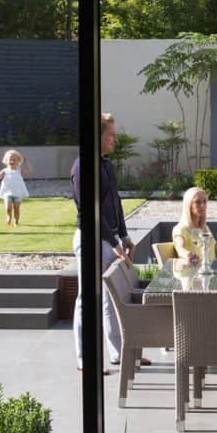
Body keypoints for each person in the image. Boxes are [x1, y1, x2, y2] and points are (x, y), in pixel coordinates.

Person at [71, 113, 136, 375]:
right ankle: (84, 357)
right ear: (97, 136)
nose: (115, 139)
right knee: (87, 298)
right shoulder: (82, 167)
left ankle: (118, 352)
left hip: (109, 239)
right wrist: (112, 241)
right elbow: (89, 210)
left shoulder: (106, 165)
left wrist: (124, 235)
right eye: (111, 135)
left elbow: (114, 203)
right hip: (90, 239)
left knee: (113, 297)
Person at [172, 186, 217, 263]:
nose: (202, 205)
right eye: (197, 202)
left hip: (212, 271)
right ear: (189, 205)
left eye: (204, 201)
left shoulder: (205, 228)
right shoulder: (180, 229)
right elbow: (180, 248)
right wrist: (187, 254)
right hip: (193, 273)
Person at [0, 149, 33, 226]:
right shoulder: (4, 171)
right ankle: (9, 217)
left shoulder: (19, 170)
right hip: (7, 192)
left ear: (18, 161)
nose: (12, 161)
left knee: (16, 209)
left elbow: (30, 171)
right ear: (6, 160)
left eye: (14, 160)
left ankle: (16, 220)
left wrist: (26, 161)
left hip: (18, 192)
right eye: (10, 159)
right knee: (8, 208)